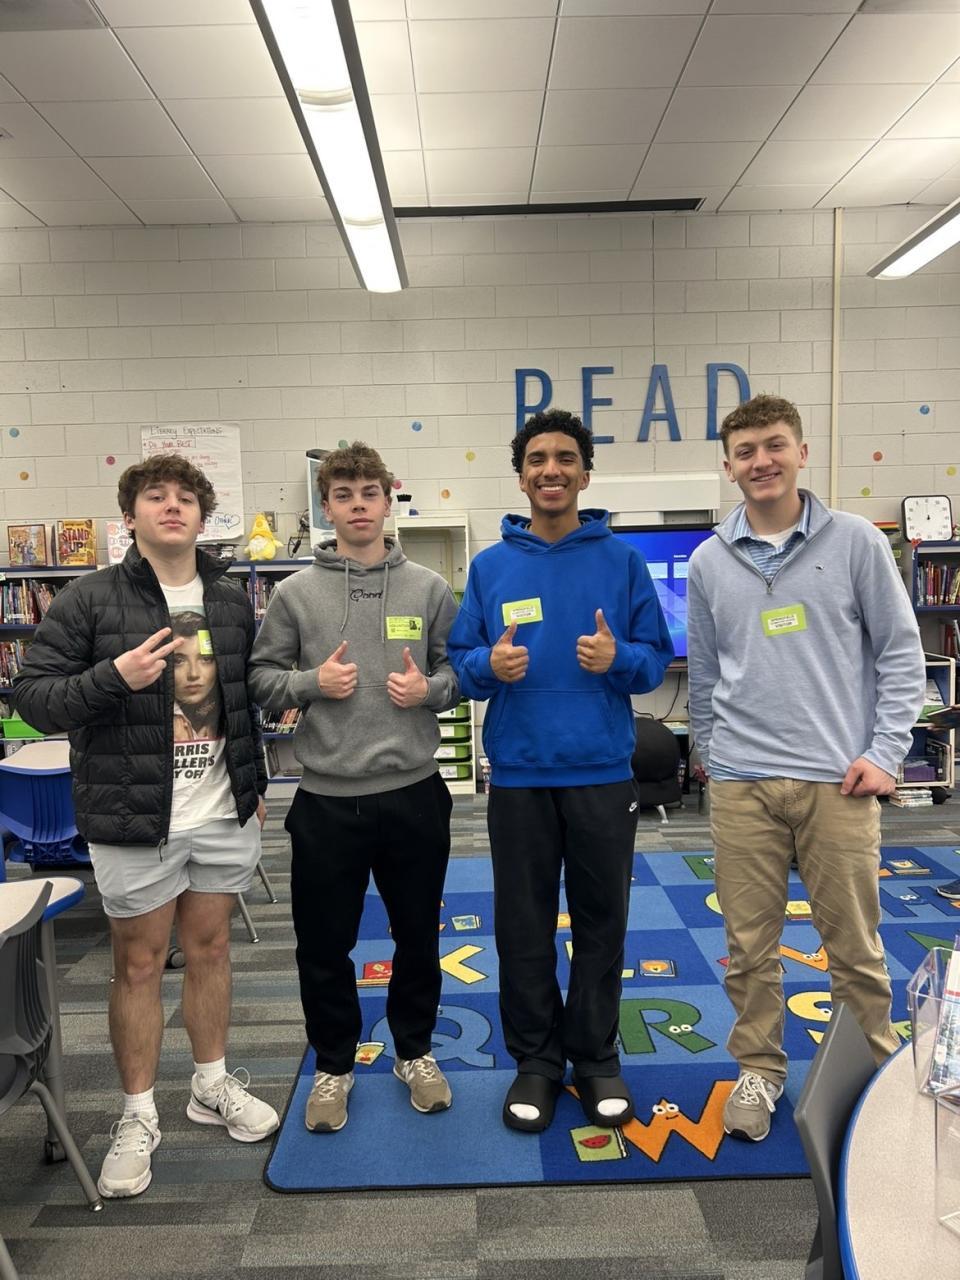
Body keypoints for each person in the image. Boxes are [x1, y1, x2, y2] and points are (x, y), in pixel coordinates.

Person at [12, 454, 277, 1199]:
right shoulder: (89, 598)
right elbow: (31, 697)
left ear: (203, 515)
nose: (172, 506)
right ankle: (137, 1116)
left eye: (186, 497)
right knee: (137, 964)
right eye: (155, 497)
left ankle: (211, 1084)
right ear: (129, 517)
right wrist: (112, 678)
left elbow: (238, 700)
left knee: (212, 949)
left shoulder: (229, 599)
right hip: (133, 819)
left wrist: (252, 781)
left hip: (220, 812)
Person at [687, 393, 926, 1142]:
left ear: (801, 452)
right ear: (728, 466)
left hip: (837, 782)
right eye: (746, 451)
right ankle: (759, 1069)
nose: (761, 460)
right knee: (748, 948)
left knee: (854, 946)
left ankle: (872, 1077)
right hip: (742, 783)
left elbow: (901, 654)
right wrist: (712, 756)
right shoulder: (707, 560)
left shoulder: (856, 542)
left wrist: (885, 754)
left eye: (774, 445)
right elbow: (703, 674)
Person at [448, 408, 674, 1134]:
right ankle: (537, 1062)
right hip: (519, 775)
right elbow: (461, 664)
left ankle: (596, 1056)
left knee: (603, 922)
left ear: (585, 474)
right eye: (537, 459)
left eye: (566, 458)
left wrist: (619, 660)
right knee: (523, 926)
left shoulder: (622, 561)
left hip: (602, 773)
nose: (551, 470)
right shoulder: (490, 567)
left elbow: (654, 659)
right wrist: (490, 664)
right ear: (521, 477)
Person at [248, 441, 460, 1133]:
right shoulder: (295, 594)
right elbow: (260, 680)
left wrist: (429, 691)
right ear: (328, 506)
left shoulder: (428, 588)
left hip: (413, 794)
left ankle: (414, 1052)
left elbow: (458, 674)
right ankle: (334, 1063)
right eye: (344, 495)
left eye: (370, 493)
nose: (359, 506)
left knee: (417, 936)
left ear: (388, 500)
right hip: (326, 801)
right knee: (323, 945)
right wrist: (312, 683)